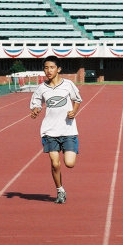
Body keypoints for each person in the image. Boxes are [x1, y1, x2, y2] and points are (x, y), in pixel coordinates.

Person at [29, 56, 81, 204]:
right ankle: (60, 190)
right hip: (49, 131)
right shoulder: (41, 88)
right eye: (46, 68)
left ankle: (70, 149)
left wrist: (74, 111)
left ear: (58, 69)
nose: (48, 70)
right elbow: (36, 104)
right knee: (55, 163)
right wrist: (35, 111)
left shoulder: (68, 85)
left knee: (69, 163)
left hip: (68, 130)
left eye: (51, 67)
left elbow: (77, 100)